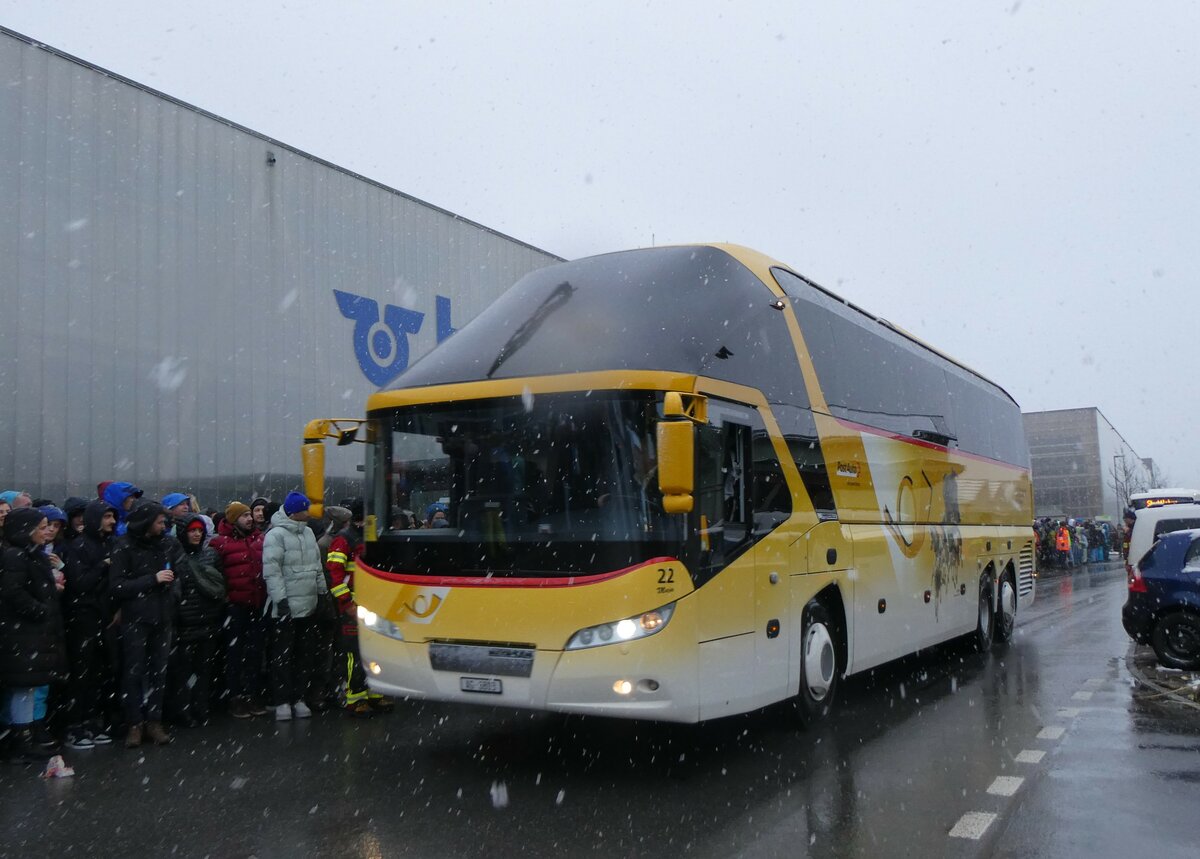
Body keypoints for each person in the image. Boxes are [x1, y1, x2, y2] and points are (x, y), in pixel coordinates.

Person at [110, 500, 185, 748]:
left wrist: (173, 594)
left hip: (163, 617)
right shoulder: (123, 547)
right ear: (147, 522)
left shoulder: (167, 544)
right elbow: (118, 586)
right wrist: (151, 580)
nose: (164, 525)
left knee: (159, 672)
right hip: (136, 619)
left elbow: (177, 575)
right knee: (133, 671)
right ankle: (134, 723)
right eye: (160, 521)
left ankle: (154, 721)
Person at [0, 508, 68, 764]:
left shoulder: (30, 555)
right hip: (22, 633)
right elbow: (13, 592)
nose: (46, 531)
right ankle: (20, 740)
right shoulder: (17, 556)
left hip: (28, 632)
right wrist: (40, 610)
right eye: (41, 527)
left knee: (27, 688)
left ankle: (24, 737)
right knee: (23, 689)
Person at [262, 492, 332, 720]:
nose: (308, 513)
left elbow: (316, 566)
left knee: (304, 654)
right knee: (283, 656)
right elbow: (272, 571)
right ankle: (282, 700)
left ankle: (299, 697)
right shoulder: (276, 535)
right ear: (294, 512)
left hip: (309, 604)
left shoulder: (309, 532)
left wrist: (322, 593)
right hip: (287, 607)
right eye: (304, 509)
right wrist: (280, 601)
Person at [61, 499, 120, 749]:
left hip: (104, 617)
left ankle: (92, 720)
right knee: (81, 672)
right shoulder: (78, 546)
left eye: (113, 517)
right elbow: (80, 583)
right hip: (82, 617)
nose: (112, 522)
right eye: (107, 517)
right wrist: (102, 566)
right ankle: (74, 725)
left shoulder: (111, 544)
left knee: (98, 672)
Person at [325, 499, 393, 716]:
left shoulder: (372, 538)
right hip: (352, 607)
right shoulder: (343, 540)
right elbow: (335, 577)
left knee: (377, 651)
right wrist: (347, 605)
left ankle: (374, 693)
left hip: (373, 606)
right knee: (354, 653)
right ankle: (355, 698)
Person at [210, 501, 267, 718]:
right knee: (234, 654)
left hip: (257, 603)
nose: (250, 519)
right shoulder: (220, 543)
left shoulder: (259, 539)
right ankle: (235, 697)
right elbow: (216, 574)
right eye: (244, 516)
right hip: (235, 606)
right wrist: (225, 597)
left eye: (249, 515)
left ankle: (251, 694)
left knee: (254, 652)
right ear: (234, 519)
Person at [168, 516, 227, 727]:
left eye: (199, 531)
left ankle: (200, 707)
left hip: (207, 621)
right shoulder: (176, 557)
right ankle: (184, 711)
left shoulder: (210, 555)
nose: (196, 534)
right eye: (192, 530)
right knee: (184, 671)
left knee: (204, 669)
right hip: (186, 624)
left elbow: (220, 585)